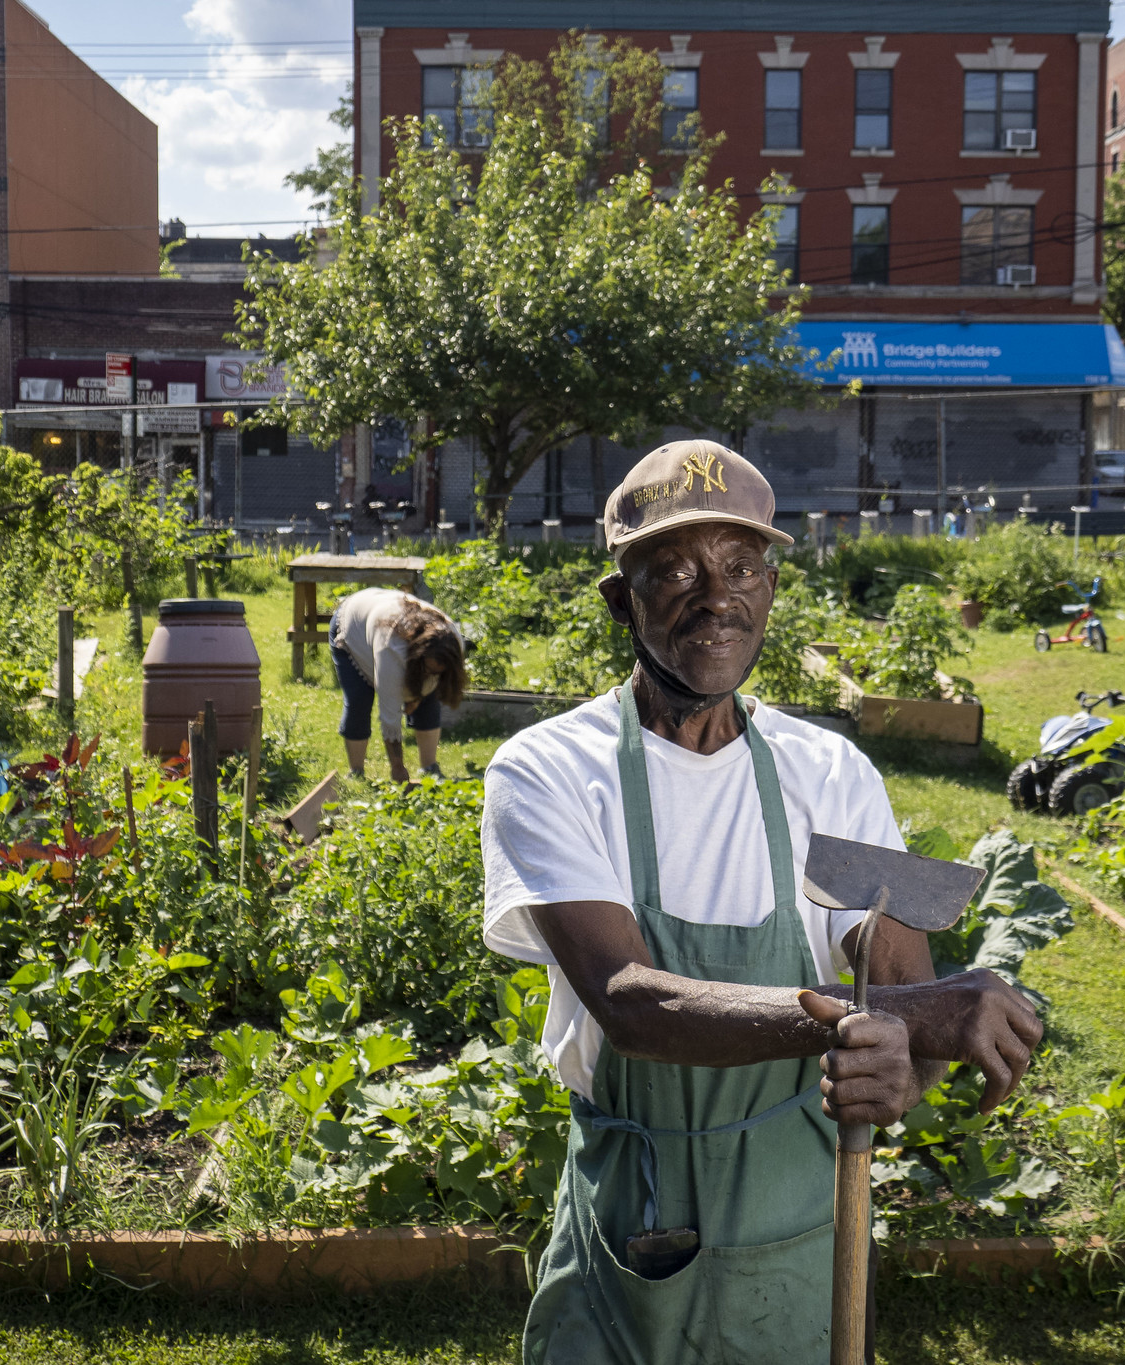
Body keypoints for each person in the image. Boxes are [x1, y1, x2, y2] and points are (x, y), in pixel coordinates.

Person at [481, 439, 1043, 1364]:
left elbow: (900, 993)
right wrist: (908, 1017)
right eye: (677, 572)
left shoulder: (831, 772)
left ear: (773, 588)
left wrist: (904, 1070)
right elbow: (629, 1001)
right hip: (636, 1208)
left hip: (798, 1223)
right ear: (623, 601)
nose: (718, 598)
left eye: (743, 566)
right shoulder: (550, 769)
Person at [328, 587, 467, 782]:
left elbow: (436, 680)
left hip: (380, 611)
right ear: (418, 657)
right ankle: (356, 773)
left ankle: (430, 767)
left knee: (430, 697)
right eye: (429, 670)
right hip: (352, 626)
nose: (433, 676)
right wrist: (397, 767)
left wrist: (419, 696)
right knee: (359, 700)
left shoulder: (453, 641)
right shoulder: (392, 649)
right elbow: (390, 716)